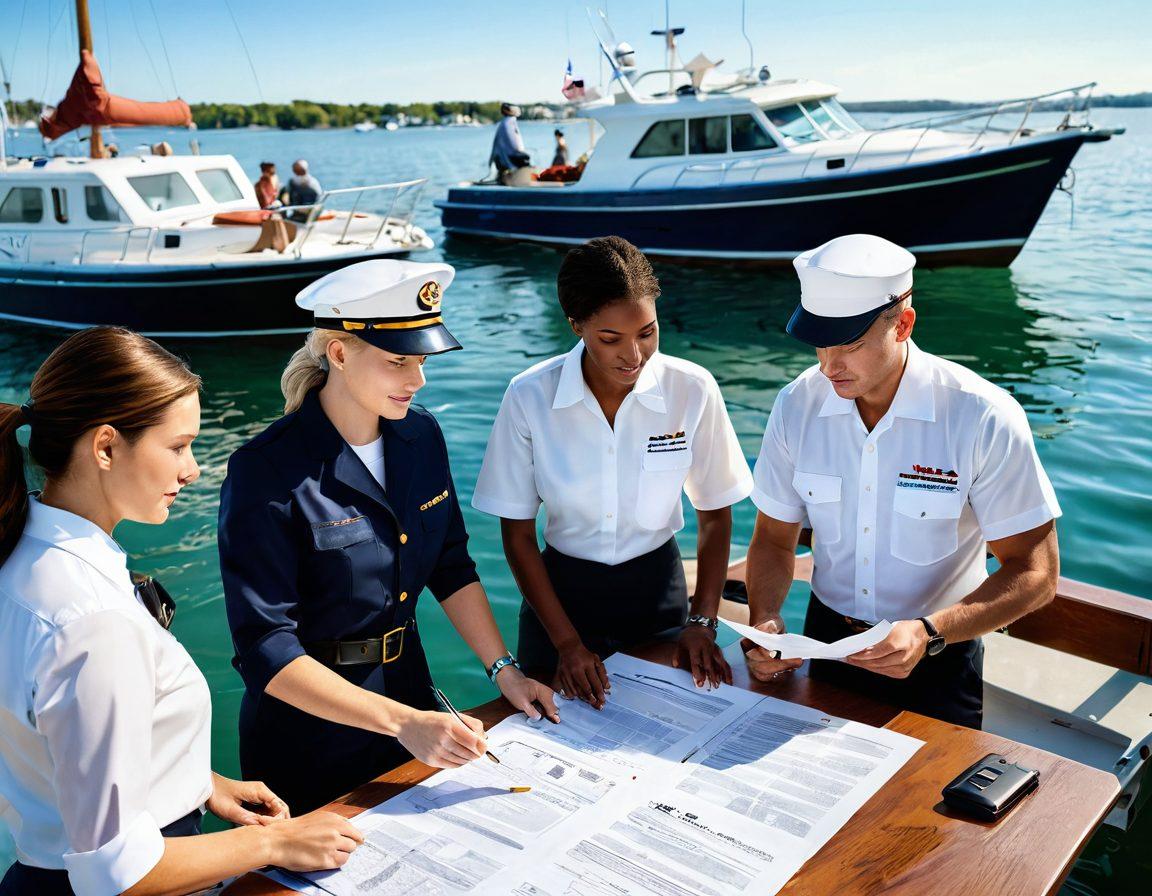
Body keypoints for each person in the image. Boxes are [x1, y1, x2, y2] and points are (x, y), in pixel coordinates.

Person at [0, 327, 363, 896]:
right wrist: (274, 843)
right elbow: (114, 871)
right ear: (104, 447)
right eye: (176, 446)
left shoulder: (21, 559)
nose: (193, 469)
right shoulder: (94, 621)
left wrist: (200, 782)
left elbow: (58, 750)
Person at [218, 260, 558, 814]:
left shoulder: (420, 436)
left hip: (412, 698)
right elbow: (266, 650)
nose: (417, 379)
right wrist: (404, 724)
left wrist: (507, 672)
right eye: (398, 361)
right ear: (339, 353)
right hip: (308, 739)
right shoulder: (265, 472)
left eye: (420, 360)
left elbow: (451, 566)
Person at [742, 234, 1061, 729]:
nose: (828, 364)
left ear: (904, 325)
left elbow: (1036, 574)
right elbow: (772, 539)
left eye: (848, 342)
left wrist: (930, 633)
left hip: (940, 655)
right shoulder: (795, 404)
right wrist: (765, 622)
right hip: (824, 646)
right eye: (819, 341)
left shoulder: (982, 416)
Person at [472, 237, 753, 706]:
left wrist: (702, 621)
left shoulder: (693, 389)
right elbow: (518, 534)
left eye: (647, 332)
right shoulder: (529, 398)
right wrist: (566, 644)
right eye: (610, 339)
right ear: (576, 325)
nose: (634, 355)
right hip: (559, 605)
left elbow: (715, 515)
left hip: (658, 599)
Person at [489, 102, 530, 185]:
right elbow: (514, 146)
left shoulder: (506, 123)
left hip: (504, 162)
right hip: (508, 164)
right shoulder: (508, 123)